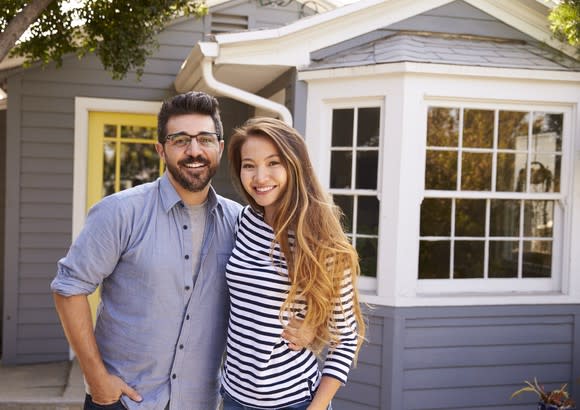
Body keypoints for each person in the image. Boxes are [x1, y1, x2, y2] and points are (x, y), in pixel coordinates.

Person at [50, 92, 309, 410]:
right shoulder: (119, 213)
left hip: (202, 401)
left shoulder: (242, 223)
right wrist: (95, 377)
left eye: (204, 139)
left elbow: (292, 287)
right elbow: (68, 289)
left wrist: (312, 326)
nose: (195, 151)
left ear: (220, 147)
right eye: (180, 140)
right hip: (124, 400)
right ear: (161, 149)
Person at [221, 117, 366, 410]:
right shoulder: (244, 221)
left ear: (294, 165)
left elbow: (346, 338)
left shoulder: (322, 241)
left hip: (293, 402)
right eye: (249, 165)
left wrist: (316, 407)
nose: (260, 177)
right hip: (233, 396)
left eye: (273, 163)